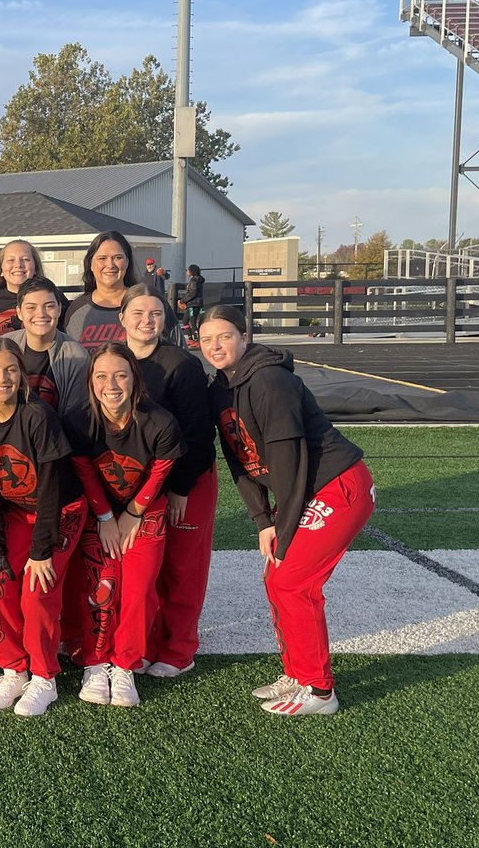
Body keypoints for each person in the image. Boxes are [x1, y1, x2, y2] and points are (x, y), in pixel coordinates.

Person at [199, 304, 375, 716]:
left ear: (245, 337)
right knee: (278, 579)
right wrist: (262, 519)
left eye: (224, 336)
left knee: (294, 581)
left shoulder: (269, 382)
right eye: (206, 340)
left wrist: (284, 527)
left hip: (335, 486)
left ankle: (319, 690)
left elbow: (290, 461)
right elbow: (238, 457)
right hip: (301, 490)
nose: (215, 346)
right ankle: (298, 672)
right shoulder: (220, 390)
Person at [0, 338, 87, 717]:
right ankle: (14, 666)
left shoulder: (37, 415)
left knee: (38, 590)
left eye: (10, 370)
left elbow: (52, 487)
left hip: (59, 510)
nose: (2, 378)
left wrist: (40, 552)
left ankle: (44, 676)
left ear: (22, 375)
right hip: (17, 511)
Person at [69, 343, 185, 708]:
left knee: (138, 588)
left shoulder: (161, 421)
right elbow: (86, 472)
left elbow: (160, 471)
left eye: (121, 374)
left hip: (144, 510)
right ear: (91, 382)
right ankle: (95, 660)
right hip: (97, 511)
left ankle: (125, 663)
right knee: (101, 585)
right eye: (101, 376)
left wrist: (133, 513)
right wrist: (105, 517)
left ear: (135, 379)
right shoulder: (79, 419)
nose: (111, 384)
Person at [117, 285, 217, 679]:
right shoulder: (111, 360)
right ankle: (145, 642)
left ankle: (179, 648)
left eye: (155, 313)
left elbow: (198, 436)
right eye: (138, 312)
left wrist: (180, 488)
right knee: (144, 570)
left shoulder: (181, 365)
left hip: (184, 480)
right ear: (121, 317)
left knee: (182, 567)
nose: (146, 320)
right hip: (139, 484)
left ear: (165, 319)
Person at [66, 233, 185, 350]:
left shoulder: (152, 303)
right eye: (102, 258)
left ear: (127, 262)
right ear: (90, 264)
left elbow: (181, 354)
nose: (110, 265)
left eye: (118, 257)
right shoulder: (76, 309)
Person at [3, 277, 89, 417]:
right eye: (31, 307)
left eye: (49, 306)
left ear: (59, 309)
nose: (41, 314)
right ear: (19, 312)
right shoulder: (4, 348)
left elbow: (74, 416)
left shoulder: (77, 357)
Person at [0, 239, 67, 338]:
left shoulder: (53, 296)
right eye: (11, 260)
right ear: (0, 270)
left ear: (35, 267)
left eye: (25, 259)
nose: (18, 265)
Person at [181, 264, 206, 343]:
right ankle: (191, 338)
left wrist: (183, 300)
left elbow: (192, 293)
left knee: (192, 321)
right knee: (186, 320)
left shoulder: (194, 281)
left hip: (193, 304)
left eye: (188, 270)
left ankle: (195, 339)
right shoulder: (199, 280)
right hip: (197, 303)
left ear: (191, 271)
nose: (187, 272)